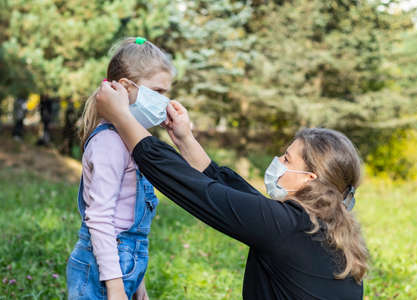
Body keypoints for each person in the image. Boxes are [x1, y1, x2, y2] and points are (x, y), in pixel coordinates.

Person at [95, 81, 369, 300]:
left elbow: (196, 190)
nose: (278, 163)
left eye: (286, 159)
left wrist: (120, 116)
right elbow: (228, 189)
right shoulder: (318, 225)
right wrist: (184, 138)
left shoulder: (285, 226)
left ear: (309, 178)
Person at [66, 37, 175, 300]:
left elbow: (127, 222)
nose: (164, 102)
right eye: (157, 92)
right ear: (125, 87)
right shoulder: (110, 142)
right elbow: (102, 219)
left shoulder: (130, 142)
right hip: (101, 273)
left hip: (121, 267)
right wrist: (115, 287)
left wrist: (138, 283)